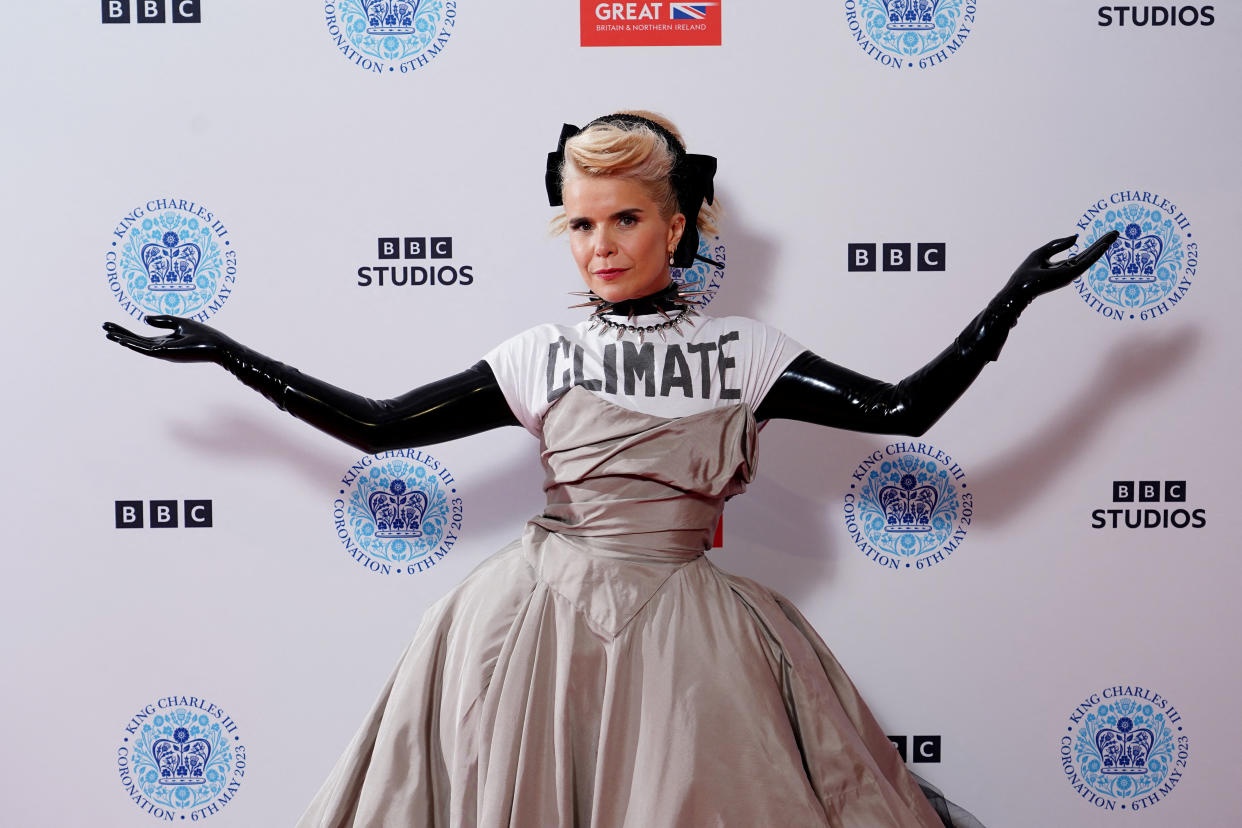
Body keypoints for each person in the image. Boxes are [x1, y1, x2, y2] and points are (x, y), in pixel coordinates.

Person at [103, 111, 1117, 828]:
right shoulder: (540, 351)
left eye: (624, 219)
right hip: (535, 623)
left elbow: (902, 409)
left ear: (676, 226)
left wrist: (1012, 300)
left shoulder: (744, 351)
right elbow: (381, 428)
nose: (599, 244)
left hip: (688, 631)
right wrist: (229, 353)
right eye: (582, 223)